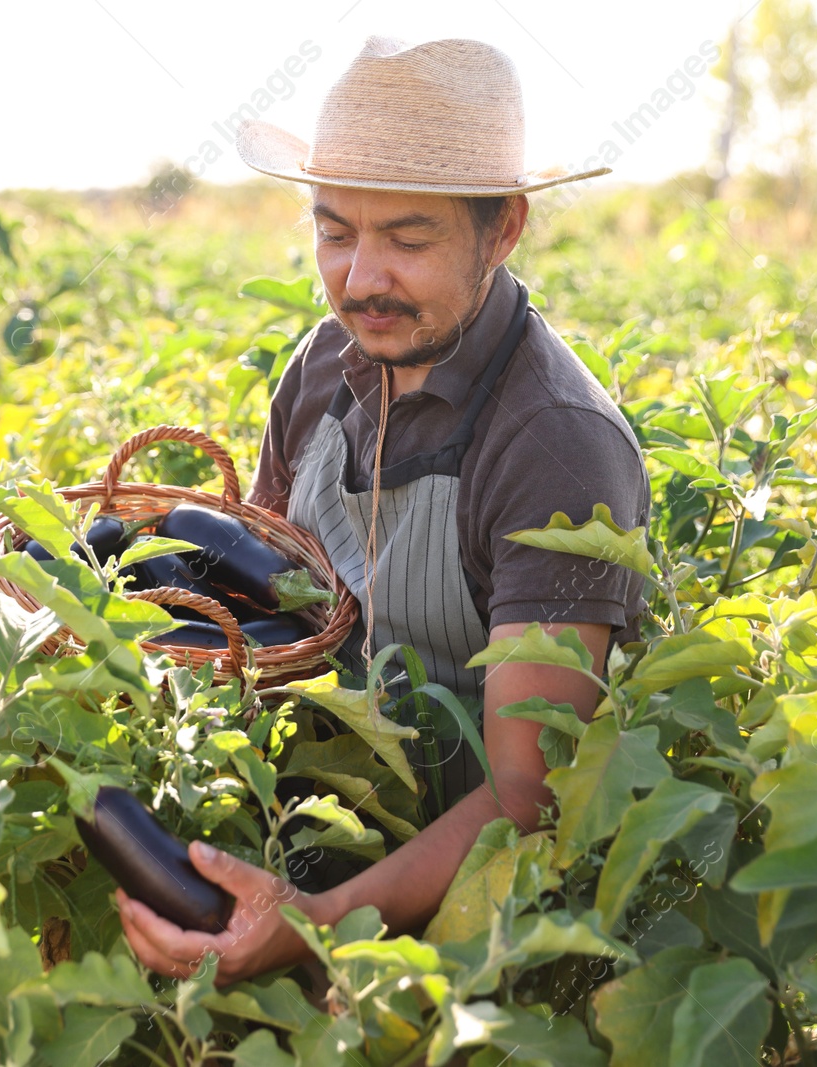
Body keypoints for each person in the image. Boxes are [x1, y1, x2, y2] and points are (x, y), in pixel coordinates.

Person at [117, 36, 650, 985]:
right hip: (309, 838)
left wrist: (318, 926)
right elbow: (268, 618)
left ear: (504, 230)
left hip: (481, 943)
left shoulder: (555, 444)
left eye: (409, 240)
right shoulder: (324, 369)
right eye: (334, 232)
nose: (362, 278)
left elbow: (529, 794)